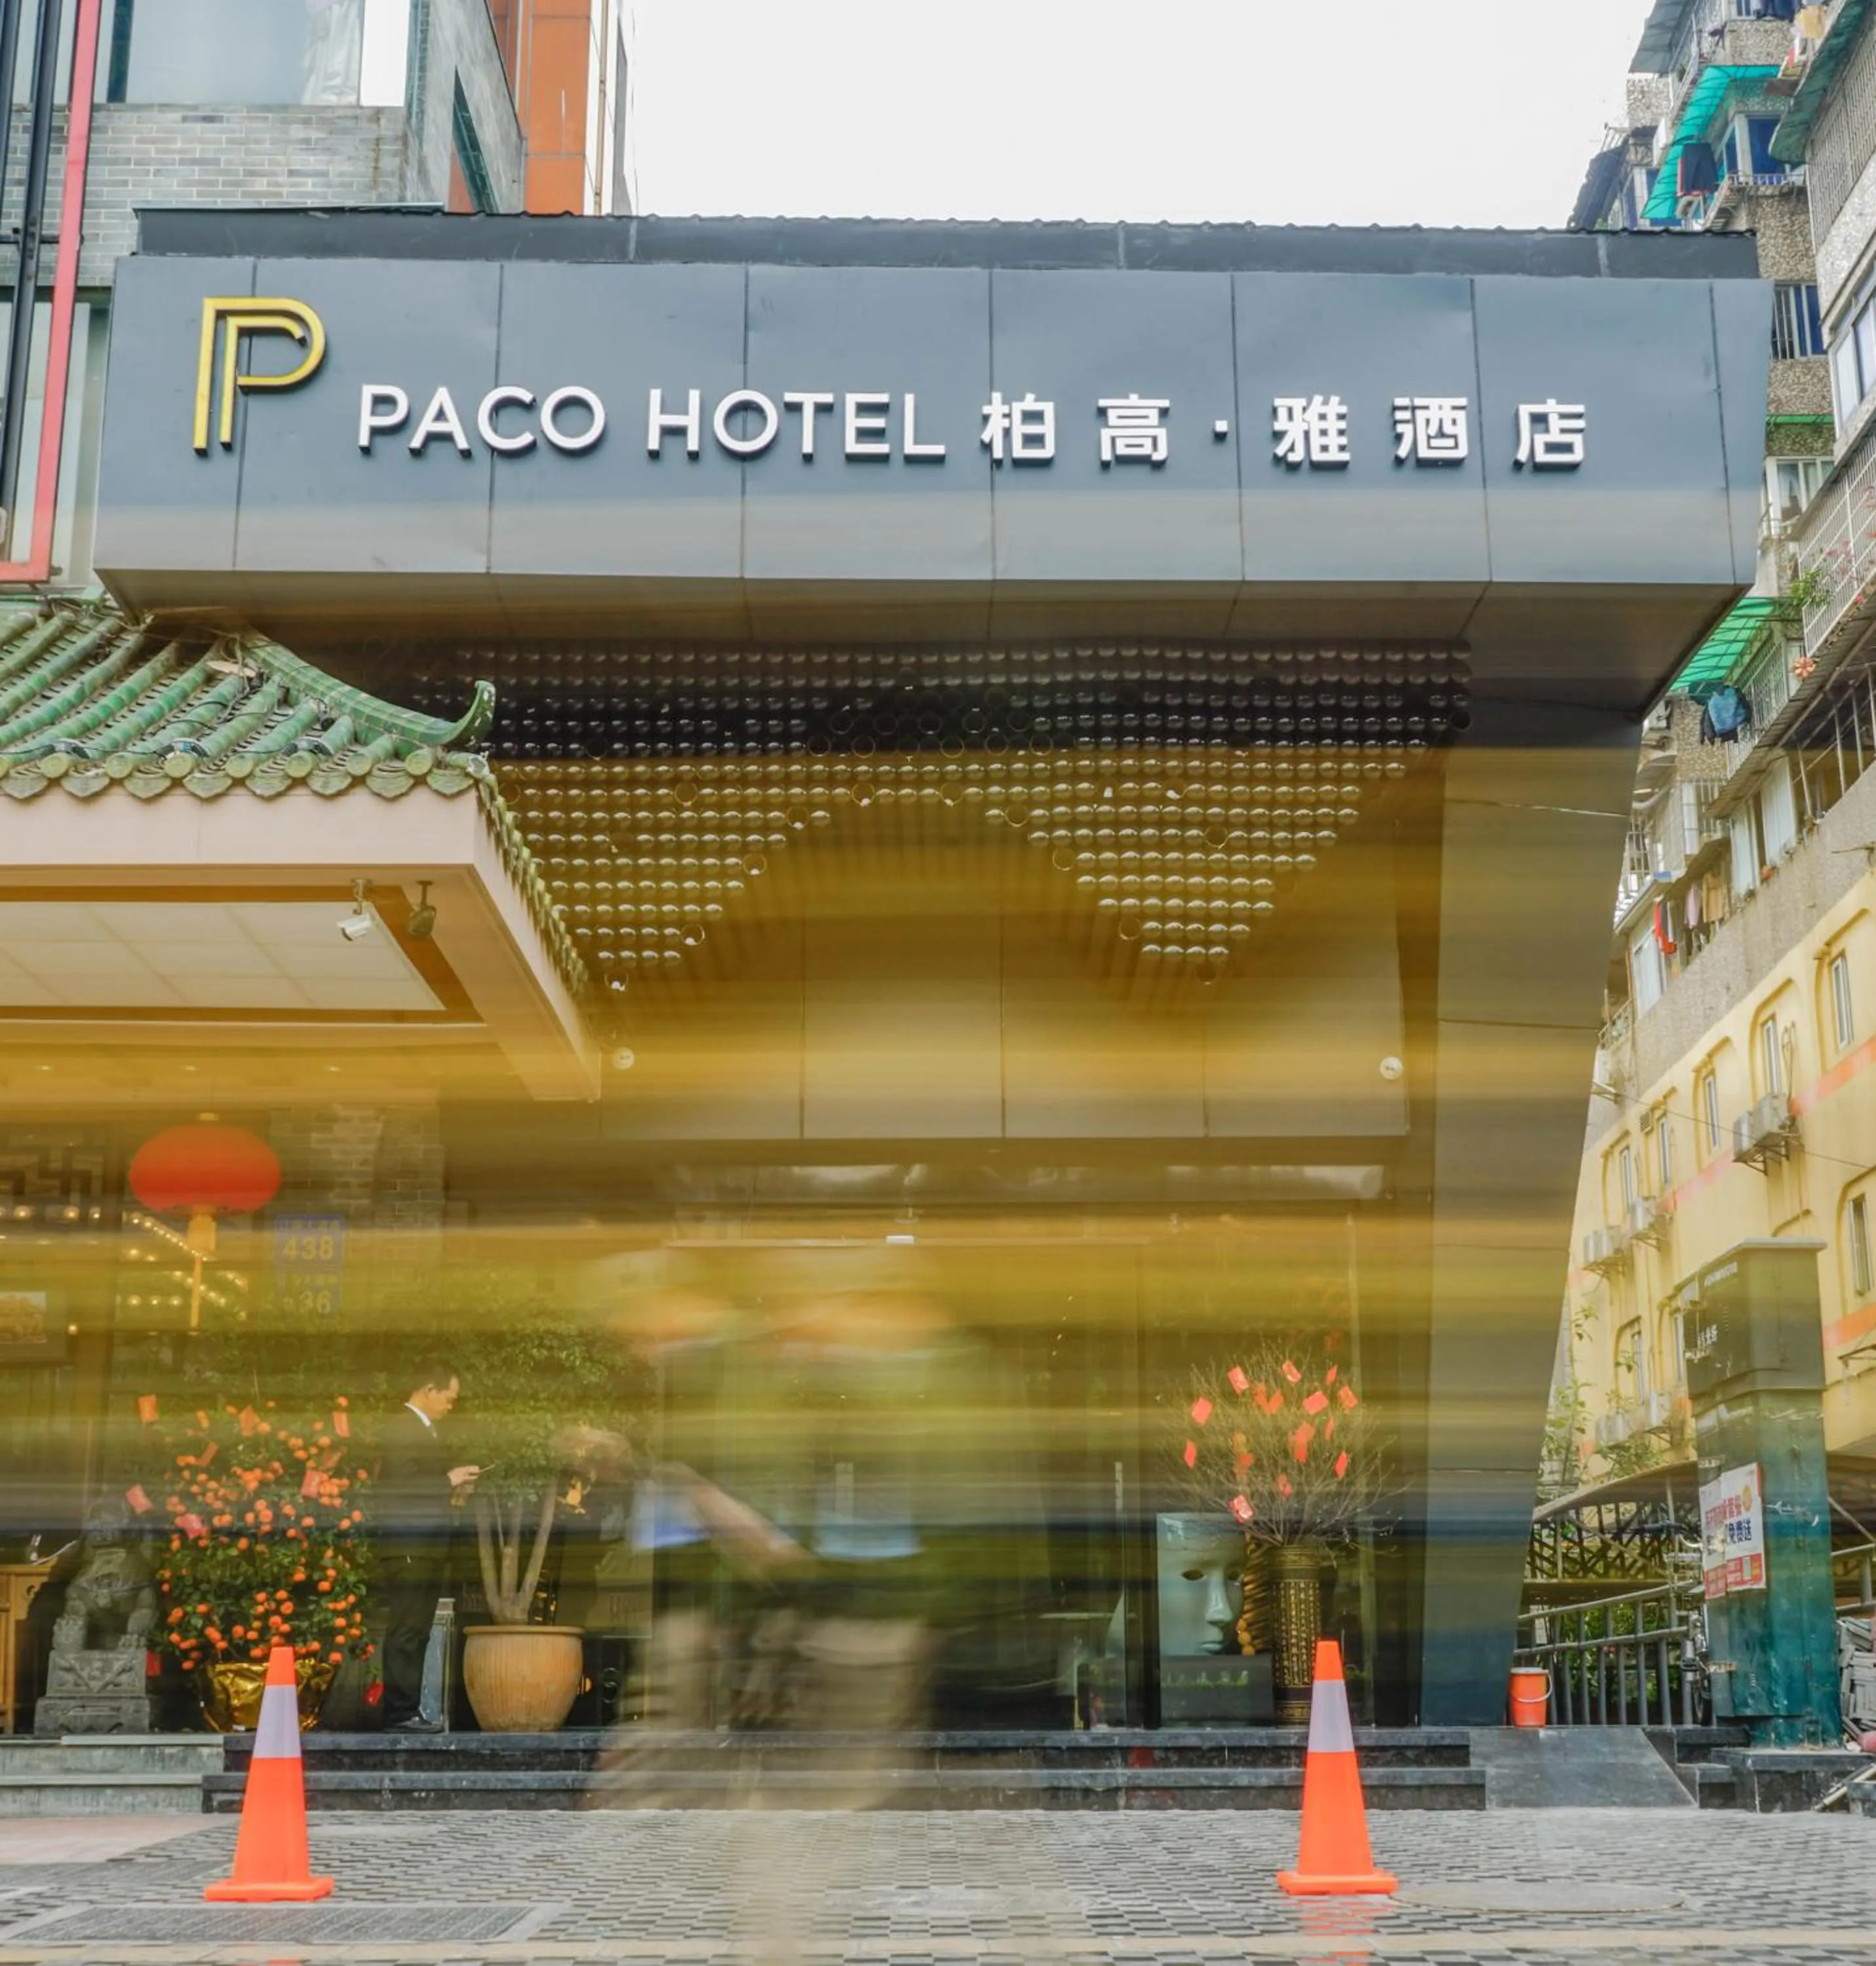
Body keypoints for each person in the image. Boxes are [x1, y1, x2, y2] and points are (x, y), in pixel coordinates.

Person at [377, 1360, 479, 1733]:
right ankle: (399, 1712)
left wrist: (454, 1488)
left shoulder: (427, 1430)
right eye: (448, 1398)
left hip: (427, 1542)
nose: (450, 1406)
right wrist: (447, 1478)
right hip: (408, 1541)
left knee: (420, 1627)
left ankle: (409, 1709)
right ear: (428, 1389)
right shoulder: (402, 1426)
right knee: (407, 1626)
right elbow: (403, 1482)